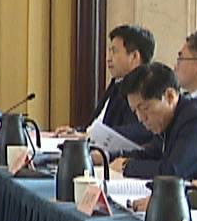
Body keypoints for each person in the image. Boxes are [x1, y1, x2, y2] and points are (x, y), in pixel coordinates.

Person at [54, 24, 155, 154]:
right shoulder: (116, 83)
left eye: (114, 51)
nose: (108, 58)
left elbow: (139, 131)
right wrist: (77, 132)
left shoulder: (143, 89)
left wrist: (88, 136)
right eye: (109, 51)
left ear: (134, 57)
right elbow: (98, 122)